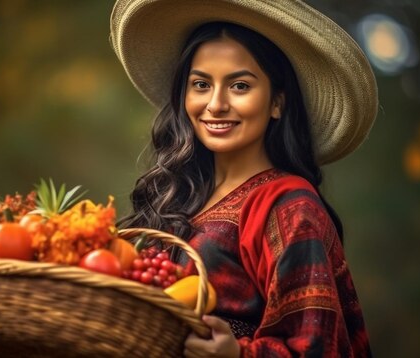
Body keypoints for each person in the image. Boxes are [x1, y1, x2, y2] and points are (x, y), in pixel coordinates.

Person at [111, 1, 378, 357]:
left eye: (239, 86)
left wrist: (236, 354)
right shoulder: (179, 198)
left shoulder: (290, 207)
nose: (216, 104)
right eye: (201, 84)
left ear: (277, 103)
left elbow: (319, 347)